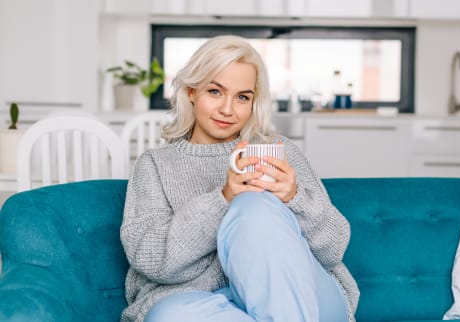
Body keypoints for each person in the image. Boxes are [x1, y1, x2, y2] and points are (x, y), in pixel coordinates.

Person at [120, 35, 359, 322]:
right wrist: (223, 199)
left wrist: (294, 198)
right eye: (215, 92)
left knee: (253, 206)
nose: (227, 110)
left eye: (242, 97)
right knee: (166, 316)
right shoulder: (155, 165)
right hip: (211, 305)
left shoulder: (278, 152)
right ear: (191, 92)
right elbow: (153, 261)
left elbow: (334, 249)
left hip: (309, 297)